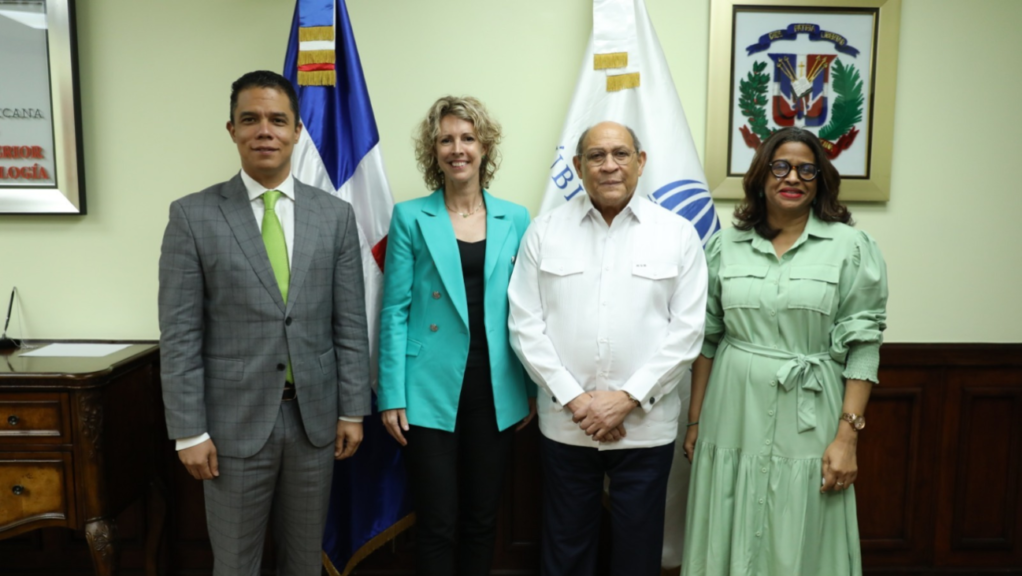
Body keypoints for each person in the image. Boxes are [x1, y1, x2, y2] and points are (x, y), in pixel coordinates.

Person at [158, 70, 370, 576]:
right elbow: (180, 334)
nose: (265, 131)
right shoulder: (192, 216)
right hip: (230, 428)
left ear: (297, 131)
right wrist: (188, 432)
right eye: (250, 119)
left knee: (304, 562)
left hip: (314, 423)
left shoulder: (335, 216)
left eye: (278, 120)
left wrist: (352, 410)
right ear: (231, 130)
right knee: (235, 564)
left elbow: (349, 324)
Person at [680, 127, 888, 576]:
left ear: (820, 181)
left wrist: (847, 438)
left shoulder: (851, 247)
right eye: (781, 166)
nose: (792, 177)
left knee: (800, 522)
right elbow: (707, 340)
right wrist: (695, 420)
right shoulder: (723, 246)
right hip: (731, 415)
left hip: (809, 416)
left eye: (806, 169)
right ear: (761, 176)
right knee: (729, 516)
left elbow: (863, 345)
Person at [508, 121, 708, 576]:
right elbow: (524, 325)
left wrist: (627, 398)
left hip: (645, 424)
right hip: (567, 422)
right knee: (566, 552)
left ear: (641, 162)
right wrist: (578, 400)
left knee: (637, 555)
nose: (609, 165)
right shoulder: (544, 231)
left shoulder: (677, 234)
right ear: (578, 166)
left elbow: (687, 331)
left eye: (621, 154)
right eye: (596, 156)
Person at [377, 95, 535, 576]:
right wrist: (391, 393)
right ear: (434, 150)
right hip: (427, 387)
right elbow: (394, 310)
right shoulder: (410, 216)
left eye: (468, 138)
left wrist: (530, 389)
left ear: (485, 147)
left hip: (496, 386)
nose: (457, 148)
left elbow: (529, 309)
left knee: (482, 520)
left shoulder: (516, 217)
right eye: (446, 140)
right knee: (437, 521)